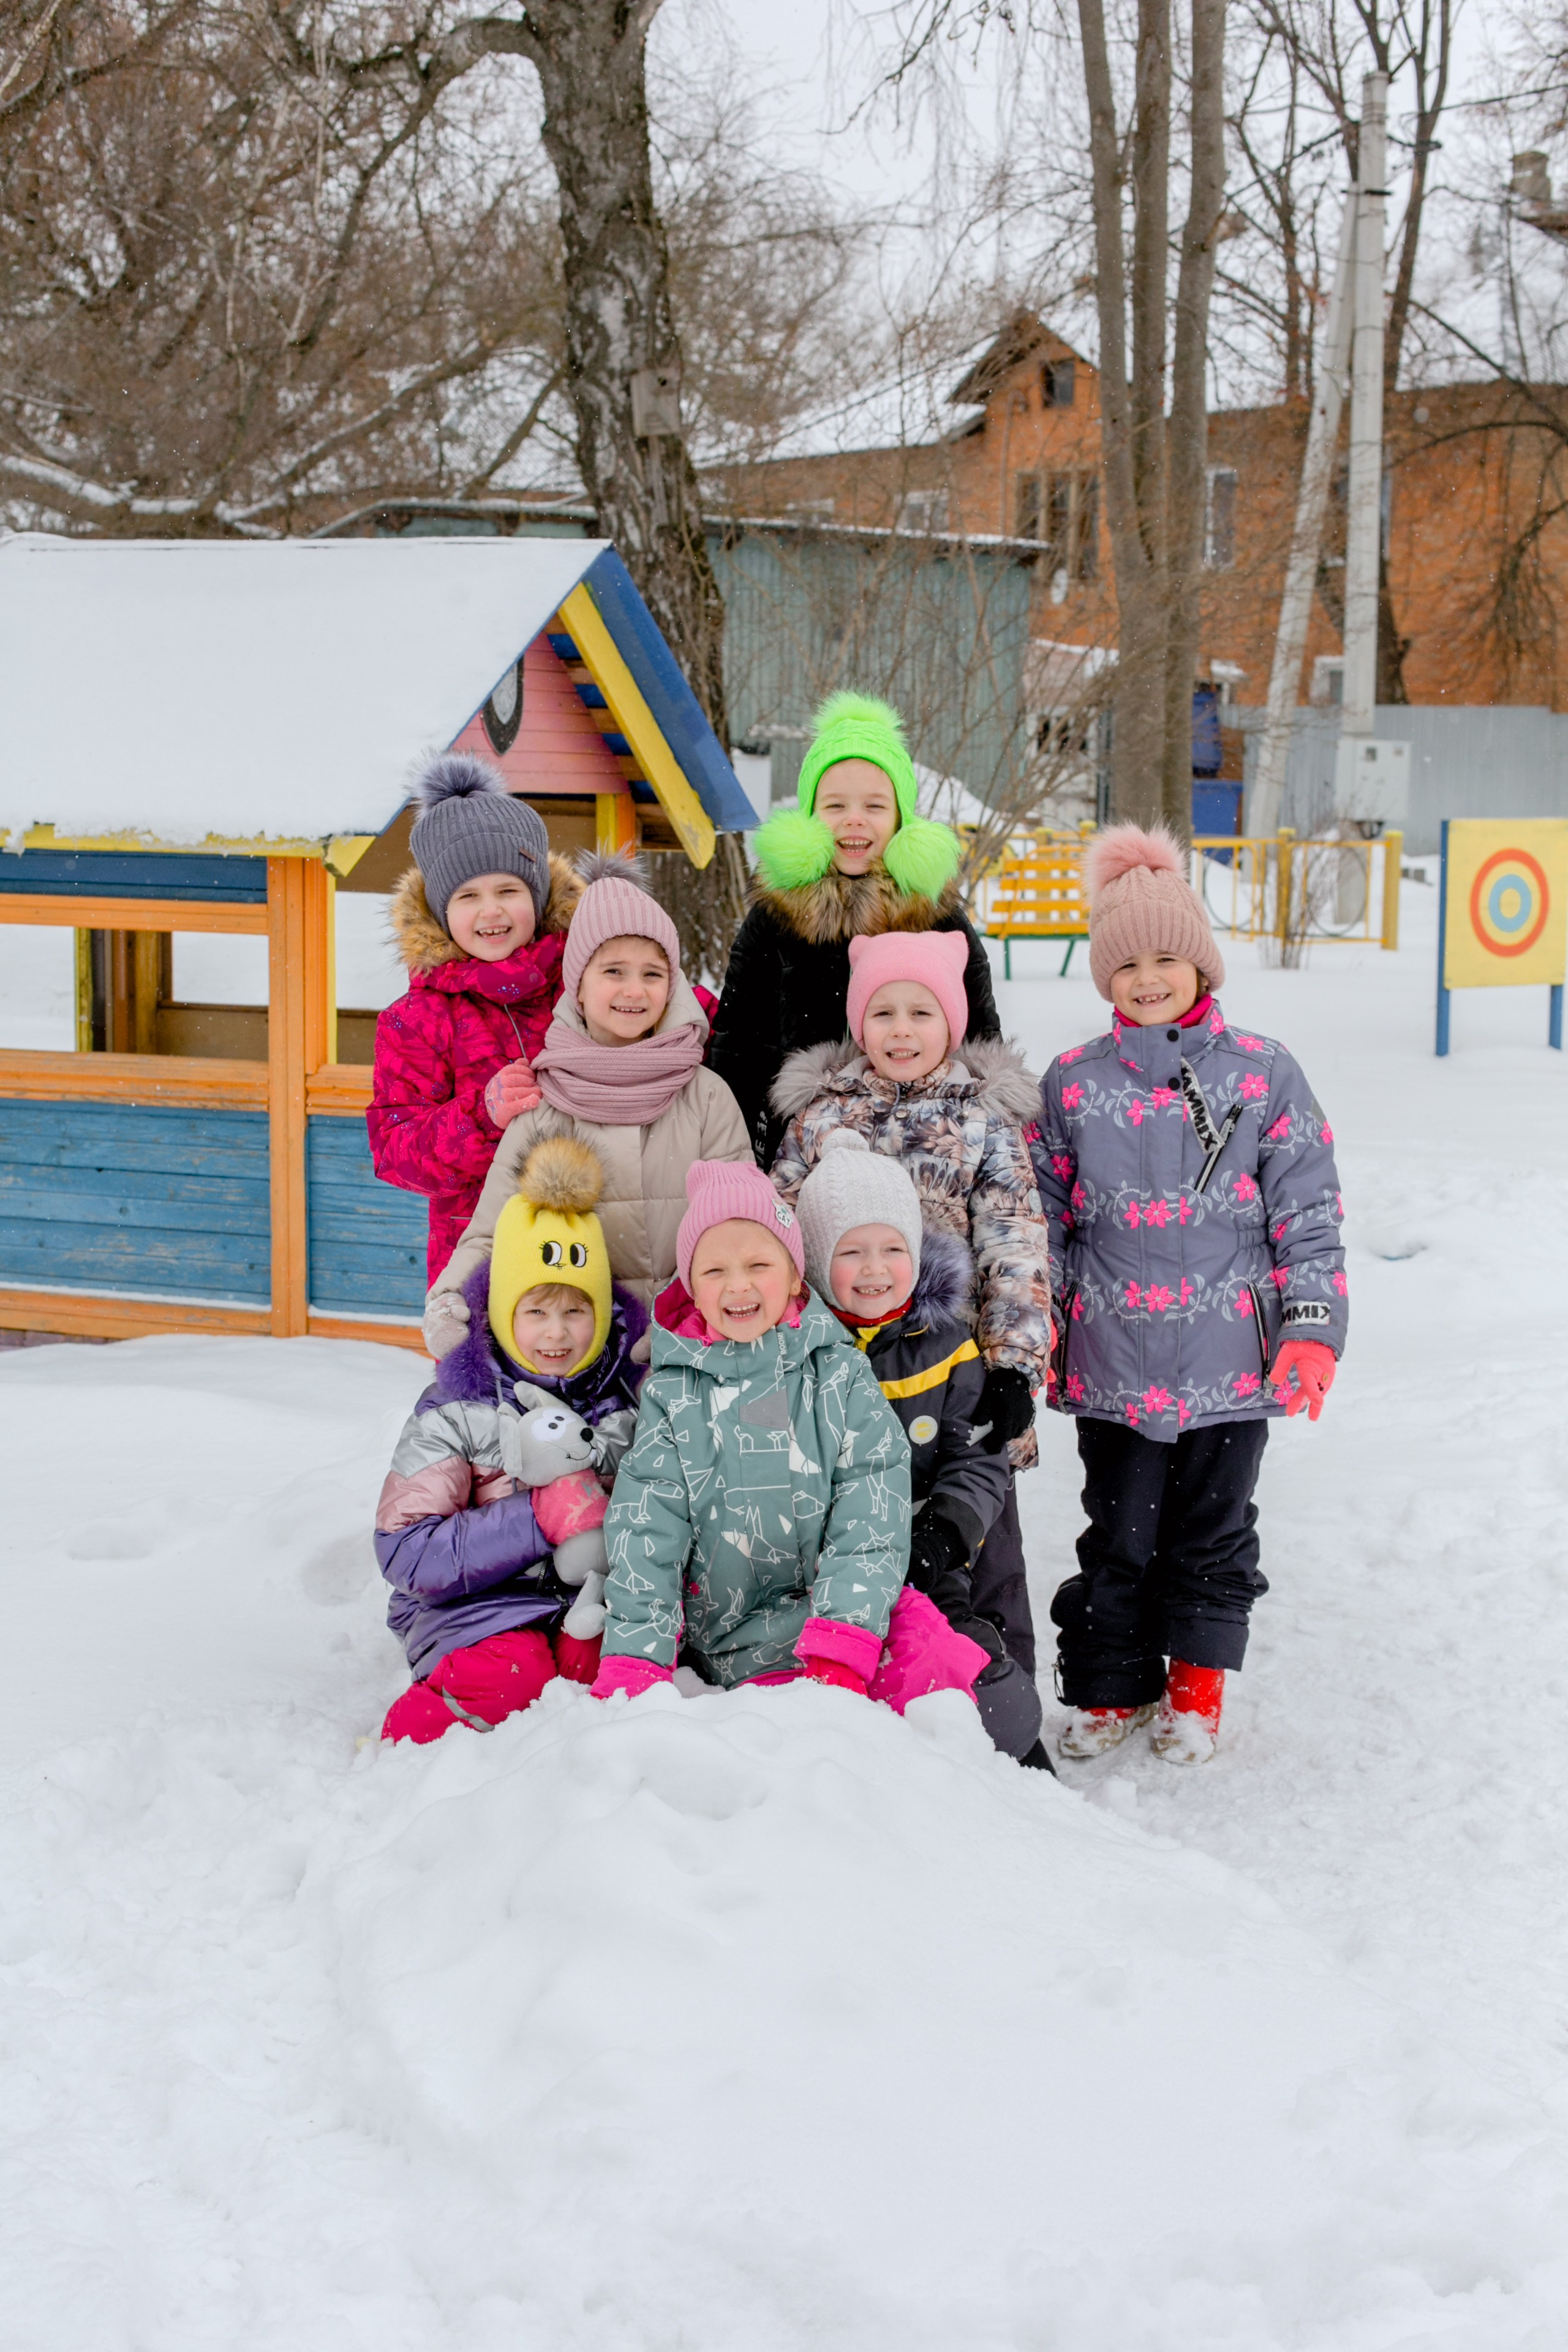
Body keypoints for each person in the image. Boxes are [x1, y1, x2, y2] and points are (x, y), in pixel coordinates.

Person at [1031, 823, 1346, 1765]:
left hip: (1229, 1366)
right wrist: (1037, 1327)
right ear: (1106, 977)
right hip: (1113, 1360)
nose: (1149, 979)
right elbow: (1043, 1221)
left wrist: (1312, 1328)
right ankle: (1110, 1688)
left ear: (1201, 964)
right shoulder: (1072, 1085)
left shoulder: (1263, 1072)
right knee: (1118, 1535)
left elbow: (1308, 1211)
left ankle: (1197, 1688)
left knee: (1212, 1530)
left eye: (1167, 958)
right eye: (1128, 964)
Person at [768, 927, 1052, 1682]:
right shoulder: (820, 1118)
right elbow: (780, 1236)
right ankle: (869, 1690)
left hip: (957, 1377)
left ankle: (1005, 1700)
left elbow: (1015, 1246)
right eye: (883, 1012)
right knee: (854, 1539)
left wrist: (1013, 1368)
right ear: (858, 1023)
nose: (901, 1031)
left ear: (951, 1023)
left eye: (921, 1013)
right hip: (845, 1366)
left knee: (979, 1540)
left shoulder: (983, 1121)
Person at [590, 1159, 926, 1701]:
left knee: (951, 1678)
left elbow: (872, 1511)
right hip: (726, 1641)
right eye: (714, 1271)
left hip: (843, 1626)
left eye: (758, 1264)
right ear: (692, 1289)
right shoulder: (674, 1396)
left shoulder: (840, 1376)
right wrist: (636, 1659)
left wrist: (841, 1641)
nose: (738, 1285)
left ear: (794, 1275)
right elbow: (647, 1530)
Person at [420, 850, 752, 1359]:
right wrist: (450, 1298)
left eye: (652, 974)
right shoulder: (545, 1104)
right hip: (579, 1358)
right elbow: (493, 1234)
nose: (634, 991)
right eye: (614, 971)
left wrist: (687, 1324)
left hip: (691, 1348)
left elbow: (739, 1226)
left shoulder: (705, 1096)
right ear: (578, 984)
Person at [794, 1131, 1055, 1771]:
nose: (875, 1270)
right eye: (851, 1252)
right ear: (818, 1261)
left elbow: (978, 1455)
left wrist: (944, 1534)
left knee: (967, 1659)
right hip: (830, 1565)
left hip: (932, 1555)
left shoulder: (946, 1345)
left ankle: (1013, 1767)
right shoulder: (797, 1350)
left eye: (892, 1249)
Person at [375, 1136, 646, 1744]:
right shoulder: (456, 1409)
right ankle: (407, 1745)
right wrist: (536, 1519)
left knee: (612, 1673)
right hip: (473, 1610)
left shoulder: (623, 1404)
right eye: (536, 1312)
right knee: (513, 1675)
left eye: (575, 1312)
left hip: (584, 1600)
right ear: (502, 1312)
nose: (557, 1334)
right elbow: (406, 1551)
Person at [708, 693, 1000, 1166]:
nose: (854, 819)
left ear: (902, 819)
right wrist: (737, 1143)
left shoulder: (934, 914)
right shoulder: (777, 916)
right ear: (810, 816)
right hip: (796, 1148)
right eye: (835, 805)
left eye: (875, 805)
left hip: (917, 1146)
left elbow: (981, 1041)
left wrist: (983, 1137)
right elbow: (737, 1040)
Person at [368, 752, 580, 1283]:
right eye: (468, 896)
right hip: (482, 1257)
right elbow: (395, 1153)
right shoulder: (417, 1019)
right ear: (442, 911)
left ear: (538, 896)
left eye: (509, 890)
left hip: (596, 1239)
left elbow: (674, 1009)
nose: (491, 911)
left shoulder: (586, 976)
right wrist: (481, 1116)